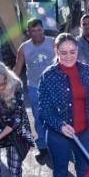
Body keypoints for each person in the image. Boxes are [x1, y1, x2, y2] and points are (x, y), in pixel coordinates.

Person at [37, 34, 89, 177]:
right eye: (63, 52)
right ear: (56, 51)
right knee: (61, 173)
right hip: (58, 136)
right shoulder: (48, 76)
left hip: (84, 133)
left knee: (84, 172)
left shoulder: (86, 70)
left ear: (78, 50)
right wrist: (60, 126)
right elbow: (44, 110)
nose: (69, 56)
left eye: (72, 51)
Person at [13, 18, 55, 165]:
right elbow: (17, 69)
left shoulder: (54, 43)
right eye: (33, 31)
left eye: (39, 30)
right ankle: (43, 147)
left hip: (54, 88)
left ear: (43, 29)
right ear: (28, 32)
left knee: (59, 116)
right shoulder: (24, 48)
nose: (36, 33)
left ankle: (61, 146)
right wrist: (7, 86)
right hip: (34, 87)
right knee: (39, 118)